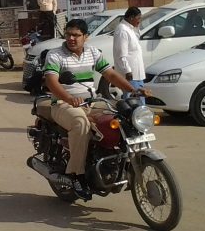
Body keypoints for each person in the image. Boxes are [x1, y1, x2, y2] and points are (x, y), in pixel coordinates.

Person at [41, 19, 135, 199]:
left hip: (91, 102)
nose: (71, 38)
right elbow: (51, 82)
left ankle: (121, 162)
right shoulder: (55, 55)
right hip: (63, 104)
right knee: (80, 123)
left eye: (76, 35)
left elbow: (111, 74)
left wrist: (133, 89)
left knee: (124, 118)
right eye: (68, 34)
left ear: (86, 37)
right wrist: (69, 98)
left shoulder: (93, 52)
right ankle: (76, 175)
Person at [112, 6, 145, 89]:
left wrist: (137, 27)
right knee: (132, 101)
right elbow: (121, 55)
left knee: (139, 100)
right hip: (130, 76)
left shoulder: (130, 29)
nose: (139, 21)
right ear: (131, 18)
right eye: (138, 18)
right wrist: (127, 71)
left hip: (137, 76)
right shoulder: (122, 30)